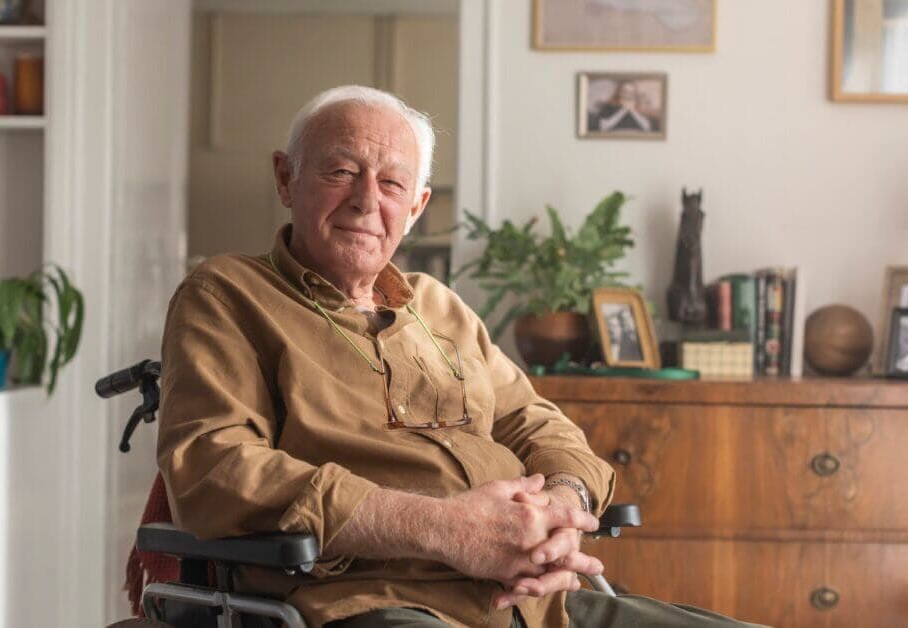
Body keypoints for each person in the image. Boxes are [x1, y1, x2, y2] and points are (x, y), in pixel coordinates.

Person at [156, 85, 761, 628]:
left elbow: (539, 424)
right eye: (341, 171)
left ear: (416, 207)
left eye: (392, 184)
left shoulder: (439, 306)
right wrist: (444, 529)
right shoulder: (227, 294)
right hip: (370, 600)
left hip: (537, 603)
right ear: (286, 178)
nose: (366, 201)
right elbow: (215, 467)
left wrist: (561, 506)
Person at [588, 80, 661, 133]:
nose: (627, 95)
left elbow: (647, 128)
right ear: (619, 92)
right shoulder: (609, 107)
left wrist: (632, 111)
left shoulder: (639, 109)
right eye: (624, 92)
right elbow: (603, 128)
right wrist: (623, 110)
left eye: (631, 93)